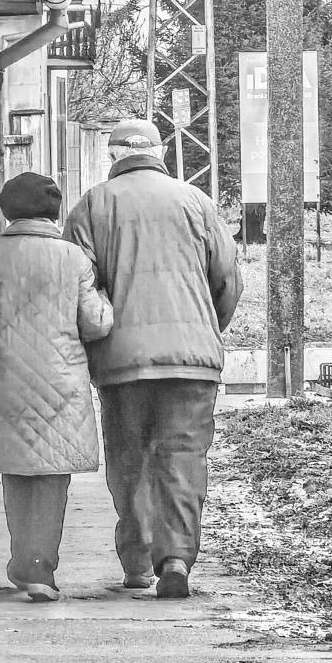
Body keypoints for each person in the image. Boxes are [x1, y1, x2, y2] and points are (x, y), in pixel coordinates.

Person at [64, 119, 242, 600]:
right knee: (183, 457)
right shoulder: (196, 202)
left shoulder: (92, 205)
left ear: (113, 156)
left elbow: (77, 288)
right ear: (160, 152)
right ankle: (177, 559)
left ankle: (138, 560)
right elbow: (227, 279)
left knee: (130, 458)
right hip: (192, 363)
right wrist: (204, 327)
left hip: (122, 362)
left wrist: (96, 338)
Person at [0, 171, 112, 603]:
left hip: (5, 379)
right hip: (62, 380)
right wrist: (107, 303)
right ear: (54, 213)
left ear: (7, 211)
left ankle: (25, 561)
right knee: (53, 476)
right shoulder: (74, 258)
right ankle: (41, 567)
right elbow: (95, 324)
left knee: (17, 472)